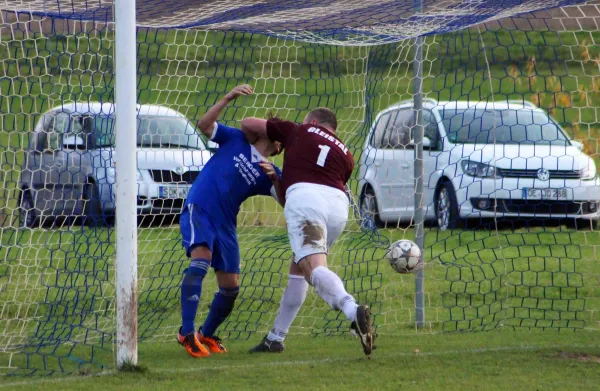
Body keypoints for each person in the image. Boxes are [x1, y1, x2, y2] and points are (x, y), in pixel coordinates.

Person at [241, 108, 374, 357]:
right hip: (337, 207)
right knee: (299, 269)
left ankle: (351, 308)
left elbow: (247, 123)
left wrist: (259, 144)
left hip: (307, 200)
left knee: (312, 268)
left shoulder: (298, 129)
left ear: (312, 122)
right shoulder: (346, 154)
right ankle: (275, 338)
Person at [178, 84, 283, 358]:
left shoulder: (270, 171)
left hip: (226, 223)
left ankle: (206, 334)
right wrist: (227, 97)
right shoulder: (236, 139)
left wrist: (274, 177)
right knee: (200, 259)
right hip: (202, 205)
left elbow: (285, 201)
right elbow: (204, 124)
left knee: (231, 287)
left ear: (279, 146)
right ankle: (186, 332)